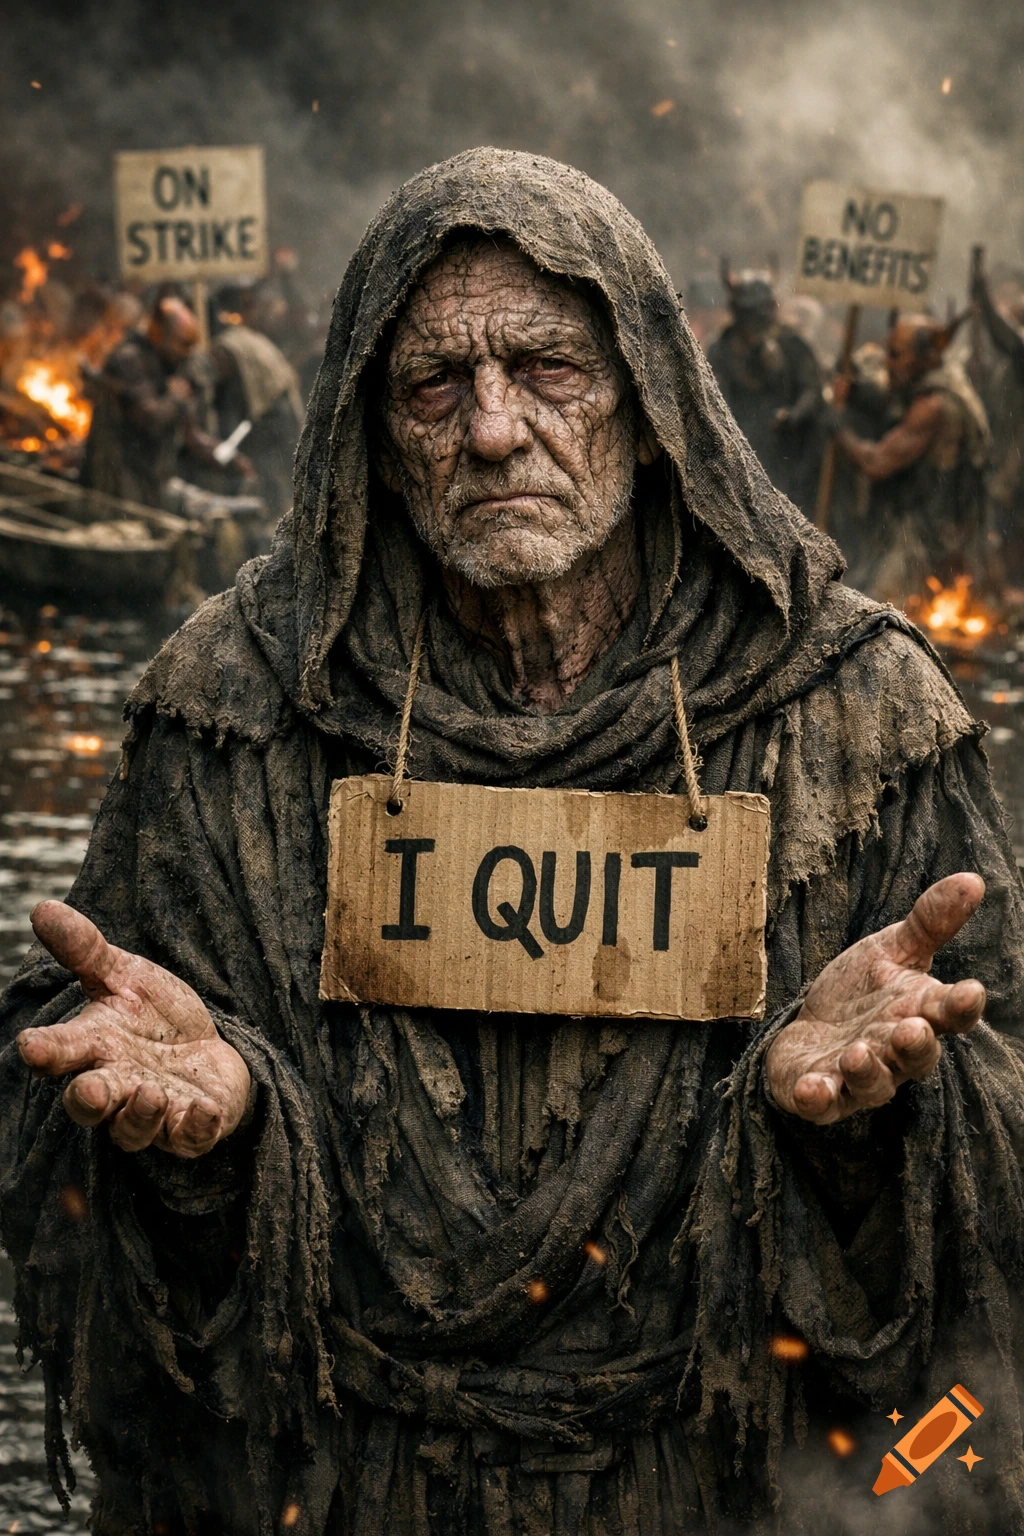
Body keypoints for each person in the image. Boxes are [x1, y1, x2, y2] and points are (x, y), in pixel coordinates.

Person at [2, 149, 1024, 1536]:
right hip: (346, 1491)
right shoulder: (234, 706)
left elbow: (1001, 1148)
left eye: (550, 370)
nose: (493, 433)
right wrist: (207, 1142)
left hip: (720, 1489)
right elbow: (88, 1109)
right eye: (436, 385)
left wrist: (875, 1121)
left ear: (652, 400)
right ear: (372, 424)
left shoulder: (853, 710)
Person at [832, 314, 990, 603]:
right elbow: (891, 398)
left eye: (895, 355)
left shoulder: (934, 405)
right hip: (930, 523)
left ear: (926, 357)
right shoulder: (942, 382)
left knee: (876, 608)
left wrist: (836, 425)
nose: (887, 364)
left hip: (930, 537)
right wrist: (856, 394)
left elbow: (876, 464)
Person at [80, 294, 251, 508]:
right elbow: (151, 418)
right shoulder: (130, 360)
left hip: (154, 482)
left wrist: (227, 458)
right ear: (159, 335)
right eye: (183, 345)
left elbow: (191, 434)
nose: (187, 354)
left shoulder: (172, 365)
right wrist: (176, 397)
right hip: (118, 483)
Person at [707, 261, 823, 515]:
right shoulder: (720, 349)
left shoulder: (791, 344)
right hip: (736, 448)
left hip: (782, 451)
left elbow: (812, 390)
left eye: (761, 313)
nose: (756, 322)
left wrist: (793, 415)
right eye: (750, 314)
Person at [209, 285, 305, 519]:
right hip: (265, 423)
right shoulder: (233, 344)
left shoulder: (238, 342)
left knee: (270, 483)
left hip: (268, 422)